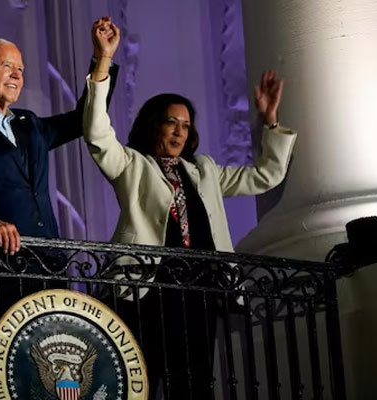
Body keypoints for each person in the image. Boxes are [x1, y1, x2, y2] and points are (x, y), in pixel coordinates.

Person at [85, 23, 296, 399]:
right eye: (171, 122)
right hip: (146, 293)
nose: (180, 132)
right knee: (140, 384)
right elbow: (98, 134)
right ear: (155, 126)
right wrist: (104, 60)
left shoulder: (205, 171)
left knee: (196, 385)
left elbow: (267, 175)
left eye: (186, 125)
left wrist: (271, 121)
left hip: (200, 294)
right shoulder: (132, 166)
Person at [0, 18, 120, 398]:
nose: (17, 75)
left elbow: (83, 120)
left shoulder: (30, 125)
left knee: (43, 371)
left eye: (21, 69)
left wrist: (101, 60)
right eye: (8, 67)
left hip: (46, 265)